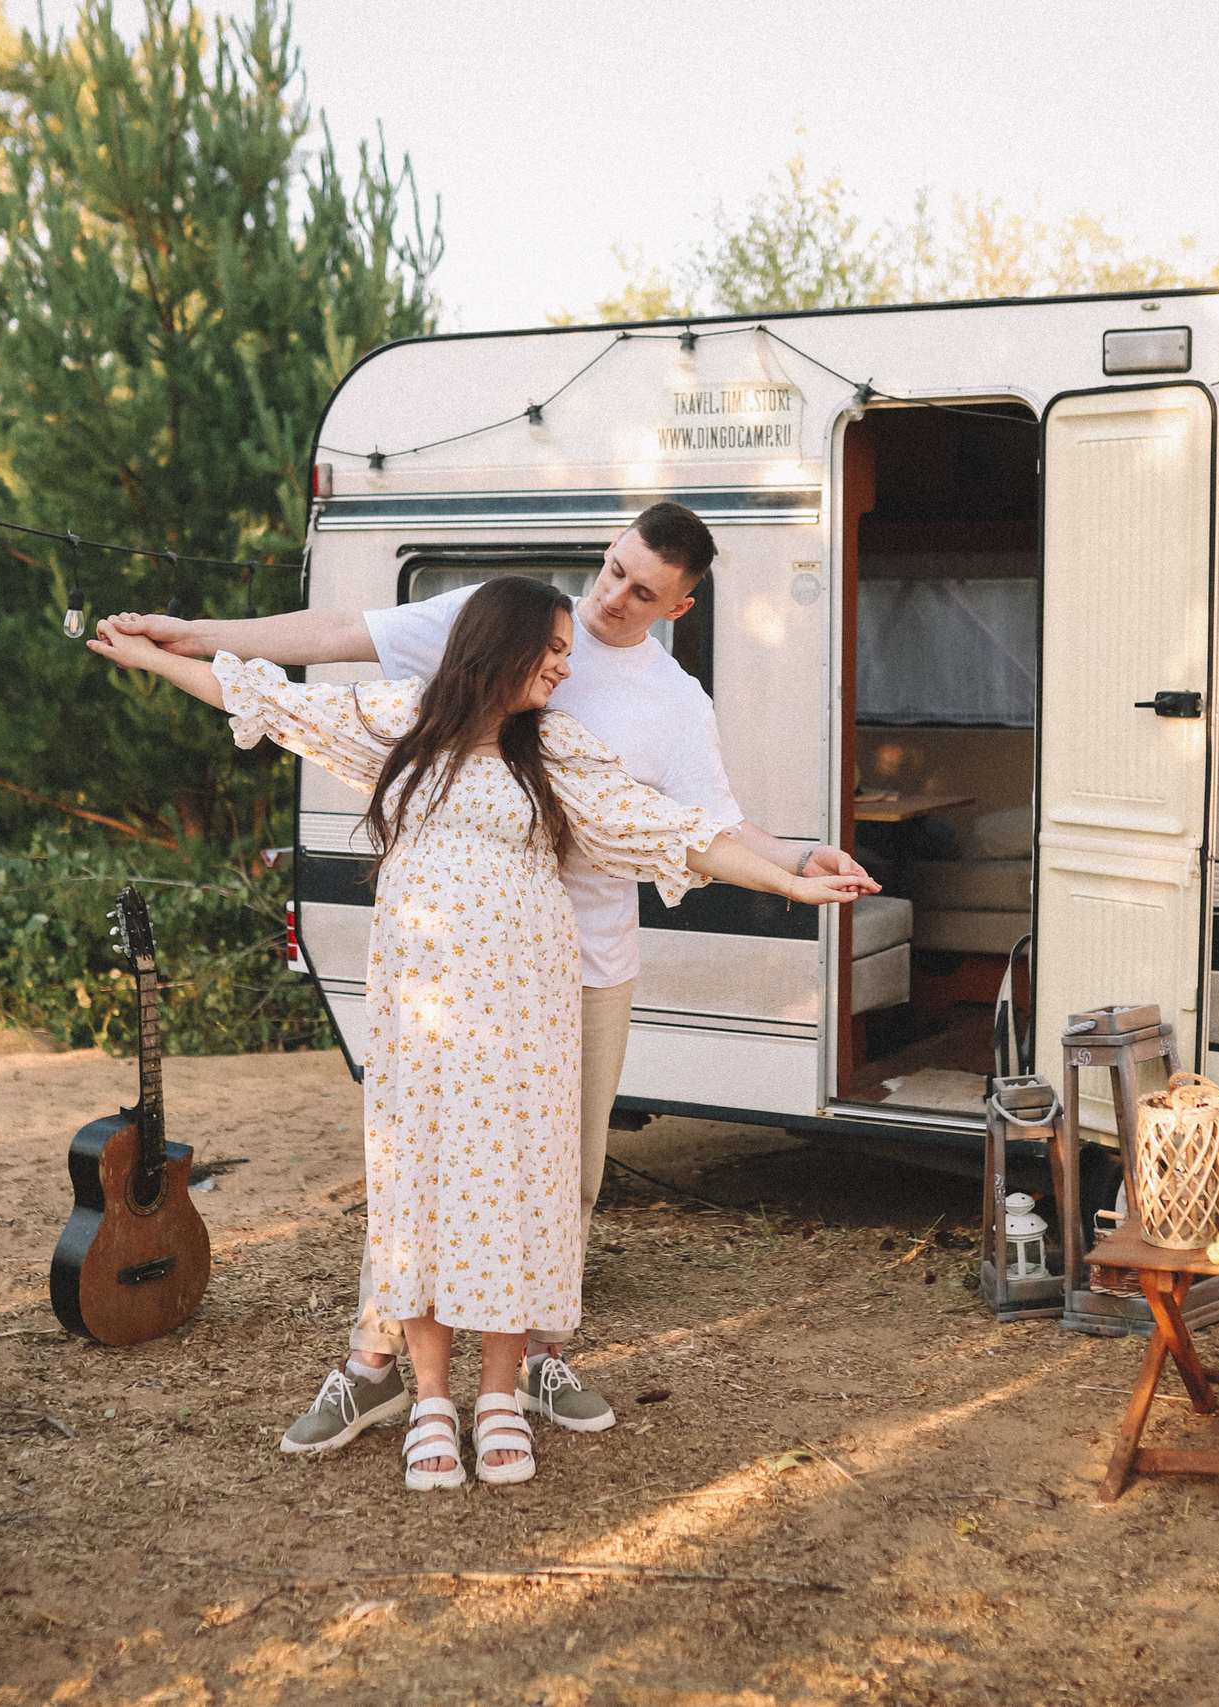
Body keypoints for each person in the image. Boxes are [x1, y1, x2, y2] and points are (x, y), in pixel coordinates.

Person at [103, 503, 872, 1450]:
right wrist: (185, 639)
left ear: (680, 605)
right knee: (418, 1157)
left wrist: (794, 866)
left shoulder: (663, 707)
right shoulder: (487, 635)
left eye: (642, 591)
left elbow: (696, 824)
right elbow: (331, 645)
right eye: (613, 568)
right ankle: (378, 1367)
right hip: (440, 972)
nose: (612, 597)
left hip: (575, 965)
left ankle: (531, 1362)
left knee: (564, 1172)